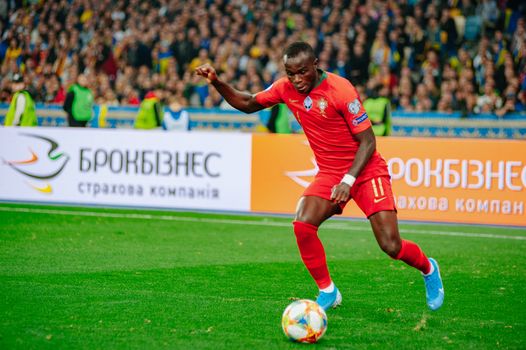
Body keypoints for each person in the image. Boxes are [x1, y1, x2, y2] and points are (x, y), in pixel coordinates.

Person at [195, 41, 444, 311]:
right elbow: (247, 103)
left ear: (315, 65)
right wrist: (217, 82)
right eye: (290, 73)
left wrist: (348, 181)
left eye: (302, 72)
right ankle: (328, 290)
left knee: (391, 246)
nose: (296, 79)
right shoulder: (285, 88)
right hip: (329, 172)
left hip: (366, 170)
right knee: (303, 223)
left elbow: (369, 142)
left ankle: (428, 268)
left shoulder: (341, 90)